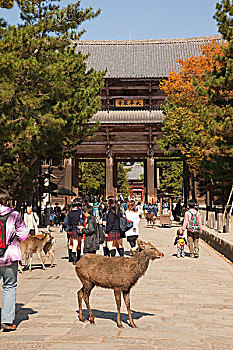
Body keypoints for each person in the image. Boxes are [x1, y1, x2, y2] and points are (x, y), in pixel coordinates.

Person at [0, 189, 29, 332]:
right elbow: (23, 235)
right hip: (9, 256)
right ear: (6, 200)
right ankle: (6, 321)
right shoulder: (14, 215)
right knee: (9, 286)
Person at [67, 199, 82, 264]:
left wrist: (69, 230)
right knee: (79, 245)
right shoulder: (80, 212)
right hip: (79, 229)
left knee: (74, 245)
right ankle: (78, 258)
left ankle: (74, 260)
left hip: (73, 229)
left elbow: (69, 223)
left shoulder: (70, 213)